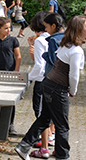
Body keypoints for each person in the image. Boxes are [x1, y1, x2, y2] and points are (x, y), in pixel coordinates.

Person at [15, 15, 86, 160]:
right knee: (62, 125)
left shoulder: (65, 44)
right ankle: (62, 156)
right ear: (79, 29)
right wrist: (73, 90)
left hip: (48, 84)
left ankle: (23, 146)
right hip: (58, 88)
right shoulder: (76, 50)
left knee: (45, 118)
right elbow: (73, 75)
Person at [25, 11, 54, 159]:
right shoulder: (54, 38)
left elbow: (39, 65)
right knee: (50, 112)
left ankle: (44, 147)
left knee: (40, 113)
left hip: (42, 81)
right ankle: (50, 138)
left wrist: (27, 79)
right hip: (55, 81)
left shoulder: (40, 41)